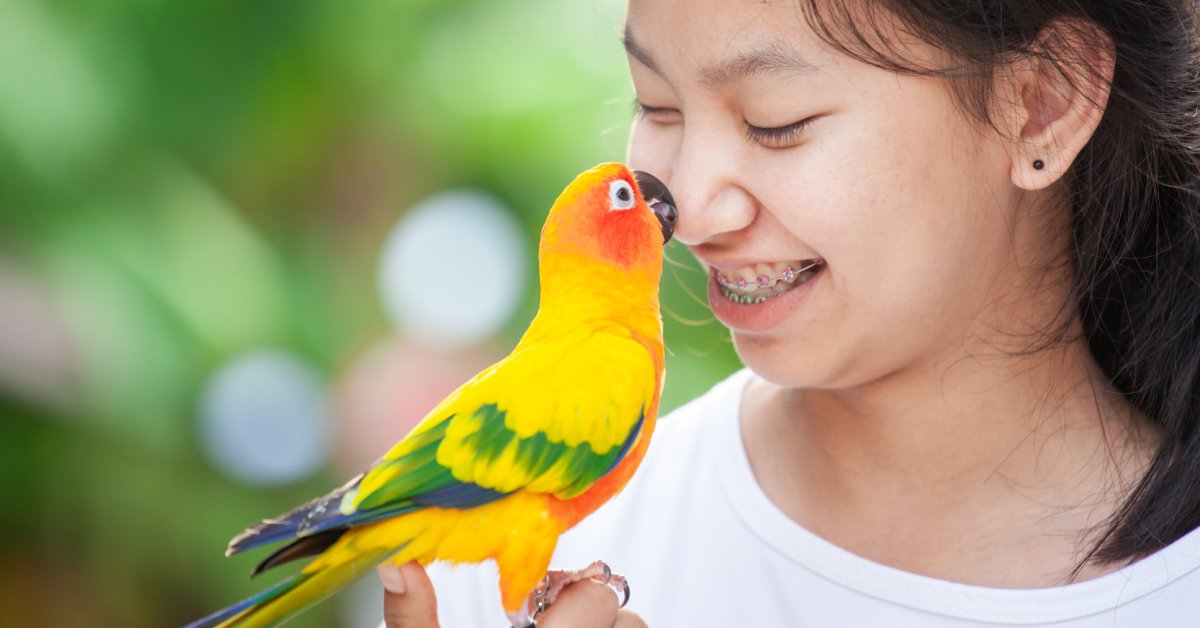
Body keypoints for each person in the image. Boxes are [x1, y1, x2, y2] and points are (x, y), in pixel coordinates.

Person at [379, 0, 1200, 625]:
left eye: (777, 122)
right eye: (654, 105)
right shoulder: (511, 551)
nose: (690, 211)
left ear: (1041, 103)